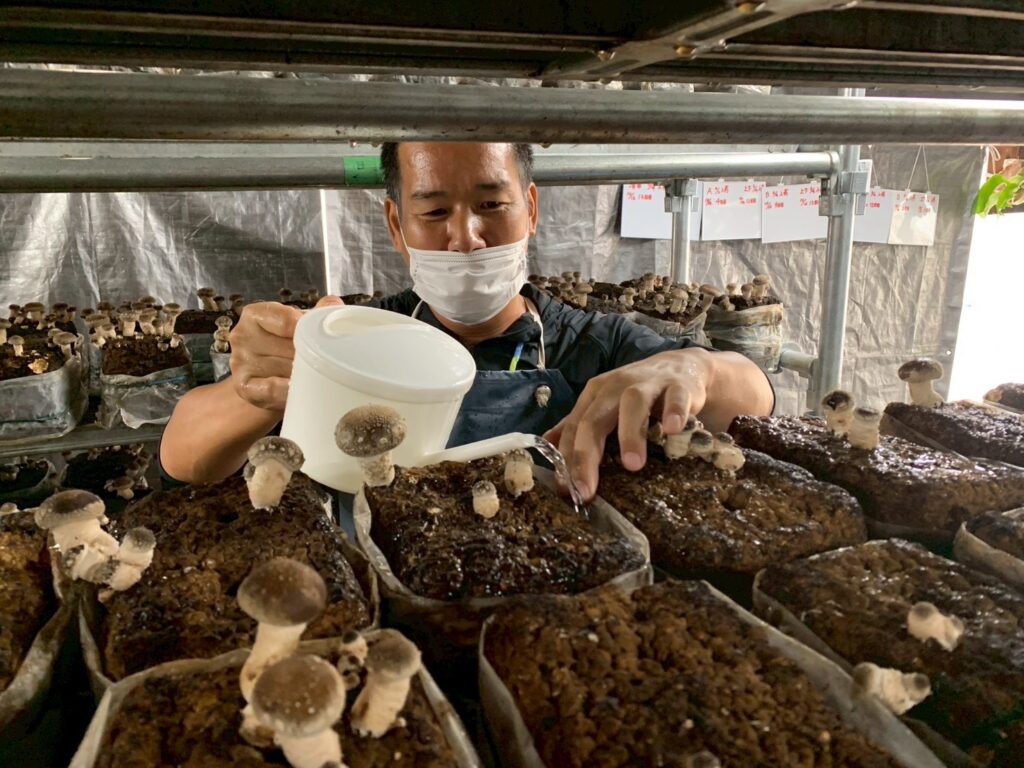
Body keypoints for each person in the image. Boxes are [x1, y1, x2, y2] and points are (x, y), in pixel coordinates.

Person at [160, 142, 774, 499]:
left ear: (530, 208)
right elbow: (183, 455)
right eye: (433, 212)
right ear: (396, 225)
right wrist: (261, 386)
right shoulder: (359, 340)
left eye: (491, 204)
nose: (467, 237)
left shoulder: (595, 343)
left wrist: (695, 368)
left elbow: (753, 400)